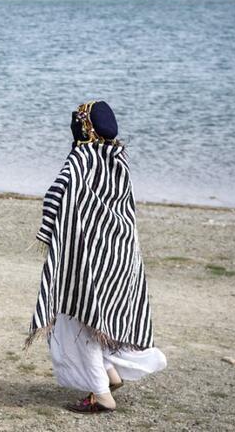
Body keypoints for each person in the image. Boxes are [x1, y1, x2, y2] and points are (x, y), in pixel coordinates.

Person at [27, 101, 166, 413]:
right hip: (118, 254)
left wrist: (50, 231)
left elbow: (56, 194)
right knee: (98, 319)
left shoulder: (81, 159)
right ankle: (110, 374)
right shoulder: (118, 159)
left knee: (80, 321)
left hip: (87, 257)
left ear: (83, 128)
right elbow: (124, 208)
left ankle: (101, 395)